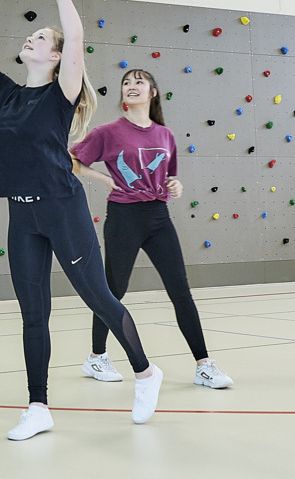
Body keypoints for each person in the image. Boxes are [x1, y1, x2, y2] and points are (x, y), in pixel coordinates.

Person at [0, 0, 162, 439]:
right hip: (21, 213)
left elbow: (75, 38)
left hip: (61, 208)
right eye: (30, 37)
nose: (30, 40)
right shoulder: (6, 93)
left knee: (97, 296)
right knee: (33, 313)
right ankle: (38, 407)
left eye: (39, 39)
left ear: (53, 57)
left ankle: (144, 371)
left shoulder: (62, 92)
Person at [71, 68, 232, 390]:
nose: (131, 86)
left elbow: (170, 176)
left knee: (181, 292)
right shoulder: (109, 132)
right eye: (126, 83)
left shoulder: (165, 135)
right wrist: (103, 178)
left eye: (138, 82)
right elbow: (72, 159)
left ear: (152, 92)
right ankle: (96, 356)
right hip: (124, 217)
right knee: (113, 291)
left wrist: (175, 184)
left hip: (159, 218)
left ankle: (204, 365)